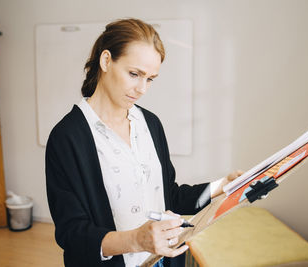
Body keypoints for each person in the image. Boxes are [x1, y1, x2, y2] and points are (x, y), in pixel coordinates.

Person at [45, 18, 242, 267]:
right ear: (106, 61)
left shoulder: (149, 123)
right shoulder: (67, 137)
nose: (142, 89)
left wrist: (224, 185)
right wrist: (137, 240)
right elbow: (71, 233)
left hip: (163, 261)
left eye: (150, 79)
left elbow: (169, 195)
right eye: (134, 74)